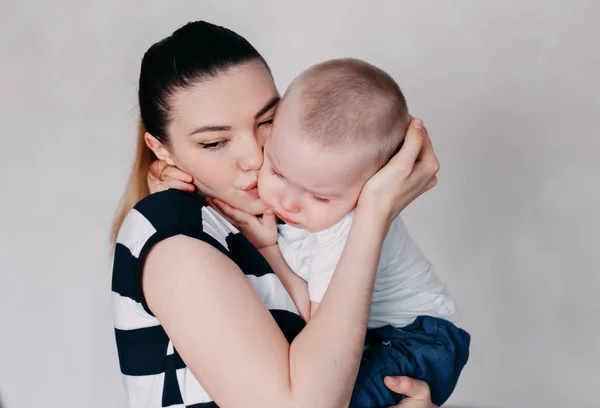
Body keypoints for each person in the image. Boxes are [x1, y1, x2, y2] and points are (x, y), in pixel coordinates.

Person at [112, 21, 439, 408]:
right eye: (214, 142)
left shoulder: (292, 210)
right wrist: (374, 212)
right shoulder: (172, 235)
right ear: (161, 149)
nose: (254, 157)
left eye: (267, 122)